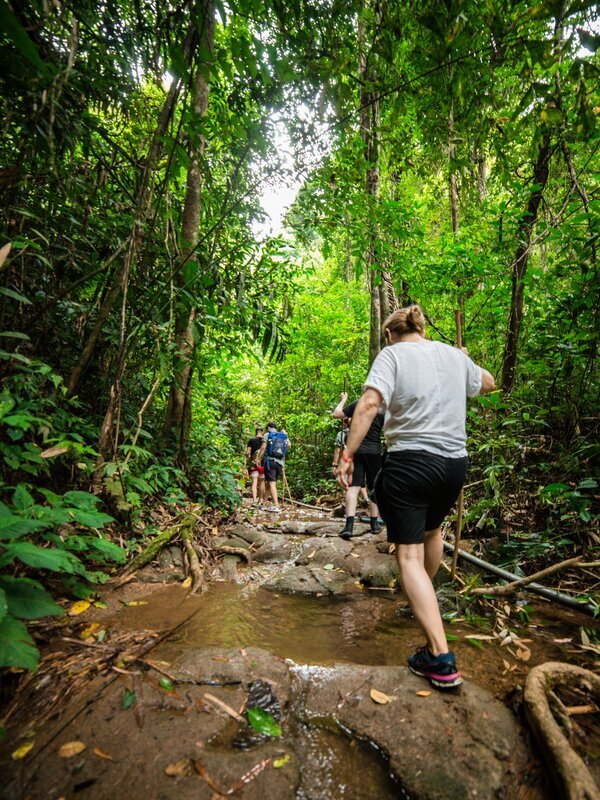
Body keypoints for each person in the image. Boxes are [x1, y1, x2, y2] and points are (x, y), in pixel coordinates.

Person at [337, 304, 495, 690]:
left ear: (391, 333)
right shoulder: (450, 355)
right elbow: (488, 383)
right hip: (454, 465)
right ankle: (422, 600)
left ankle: (439, 657)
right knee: (432, 532)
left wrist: (347, 454)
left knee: (407, 553)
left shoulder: (391, 354)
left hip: (411, 462)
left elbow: (371, 404)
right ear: (421, 330)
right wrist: (466, 360)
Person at [333, 392, 383, 539]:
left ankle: (349, 526)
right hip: (374, 451)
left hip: (357, 449)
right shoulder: (382, 408)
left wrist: (343, 400)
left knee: (354, 486)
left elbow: (336, 414)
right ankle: (375, 524)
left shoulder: (357, 404)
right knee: (374, 487)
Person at [258, 422, 291, 512]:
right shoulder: (283, 435)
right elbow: (289, 446)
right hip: (280, 464)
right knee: (270, 483)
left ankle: (276, 505)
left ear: (268, 427)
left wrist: (258, 459)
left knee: (272, 484)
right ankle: (264, 503)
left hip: (270, 461)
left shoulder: (267, 434)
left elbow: (263, 448)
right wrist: (286, 435)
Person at [245, 426, 265, 505]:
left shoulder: (251, 440)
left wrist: (248, 457)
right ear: (262, 432)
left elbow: (247, 453)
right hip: (262, 464)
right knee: (261, 482)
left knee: (254, 482)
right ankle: (261, 499)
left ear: (256, 431)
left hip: (253, 464)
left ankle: (254, 500)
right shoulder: (265, 440)